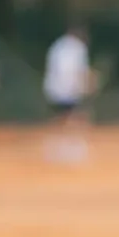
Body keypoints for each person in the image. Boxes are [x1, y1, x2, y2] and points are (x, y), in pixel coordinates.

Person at [42, 24, 97, 163]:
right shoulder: (78, 48)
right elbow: (78, 71)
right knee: (77, 119)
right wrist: (89, 85)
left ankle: (54, 146)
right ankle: (71, 148)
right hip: (69, 90)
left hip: (53, 89)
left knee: (63, 118)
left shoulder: (57, 45)